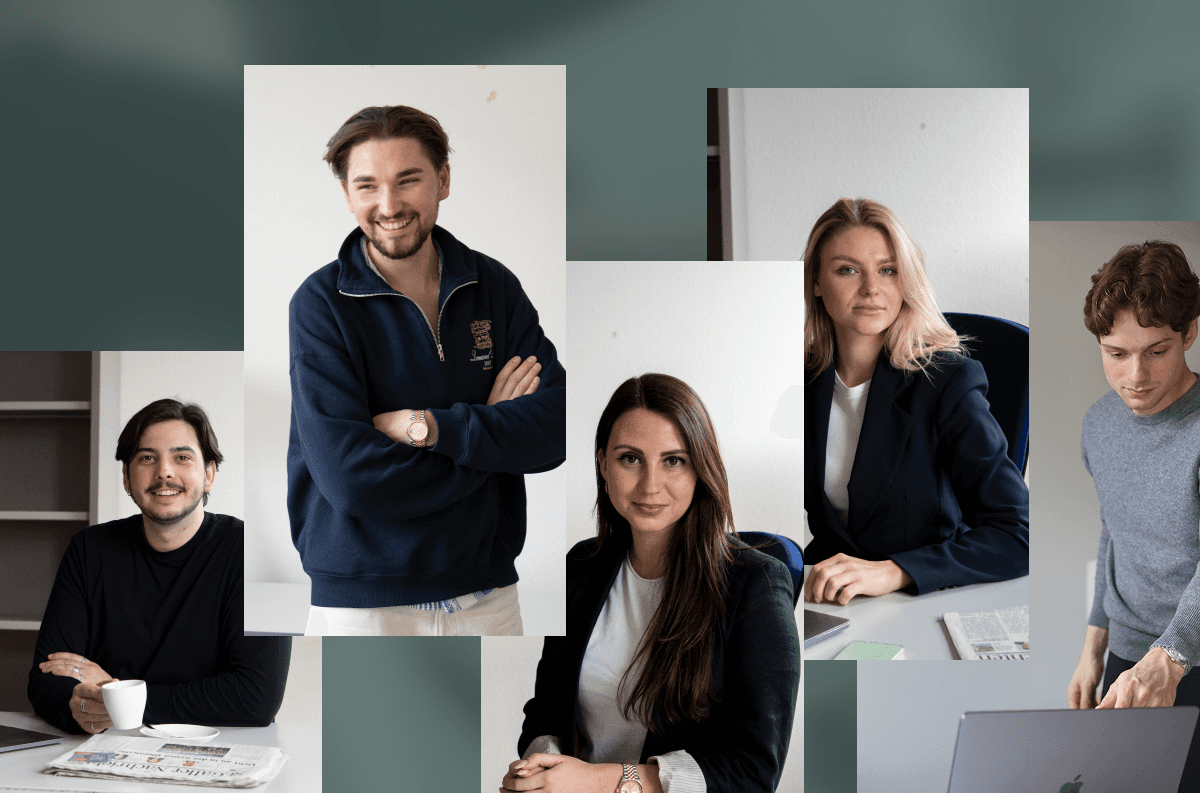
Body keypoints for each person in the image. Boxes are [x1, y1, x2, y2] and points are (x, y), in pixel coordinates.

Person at [288, 105, 566, 637]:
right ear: (347, 194)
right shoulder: (320, 305)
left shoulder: (494, 287)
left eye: (408, 180)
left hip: (488, 598)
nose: (389, 206)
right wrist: (492, 432)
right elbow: (351, 480)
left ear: (442, 179)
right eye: (367, 185)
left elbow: (554, 430)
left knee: (491, 727)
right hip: (364, 605)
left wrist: (429, 427)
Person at [504, 374, 800, 793]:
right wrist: (541, 768)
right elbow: (548, 709)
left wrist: (596, 782)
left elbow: (753, 771)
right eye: (630, 458)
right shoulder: (580, 567)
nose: (650, 485)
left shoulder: (757, 585)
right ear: (603, 464)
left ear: (702, 469)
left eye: (674, 460)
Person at [803, 198, 1029, 603]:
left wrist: (896, 572)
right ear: (817, 283)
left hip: (922, 599)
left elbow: (1019, 532)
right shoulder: (799, 382)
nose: (872, 288)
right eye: (847, 269)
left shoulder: (947, 382)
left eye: (888, 270)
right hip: (831, 600)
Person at [28, 399, 289, 734]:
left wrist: (117, 693)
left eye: (182, 457)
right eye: (147, 458)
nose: (164, 471)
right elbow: (44, 680)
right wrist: (82, 707)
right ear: (126, 477)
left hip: (221, 753)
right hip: (108, 751)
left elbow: (258, 698)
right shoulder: (87, 550)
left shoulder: (263, 554)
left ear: (209, 474)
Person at [1066, 241, 1200, 791]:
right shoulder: (1099, 424)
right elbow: (1113, 533)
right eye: (1116, 353)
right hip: (1127, 656)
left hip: (1187, 656)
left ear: (1190, 332)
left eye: (1156, 350)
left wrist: (1170, 658)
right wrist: (1092, 649)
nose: (1136, 376)